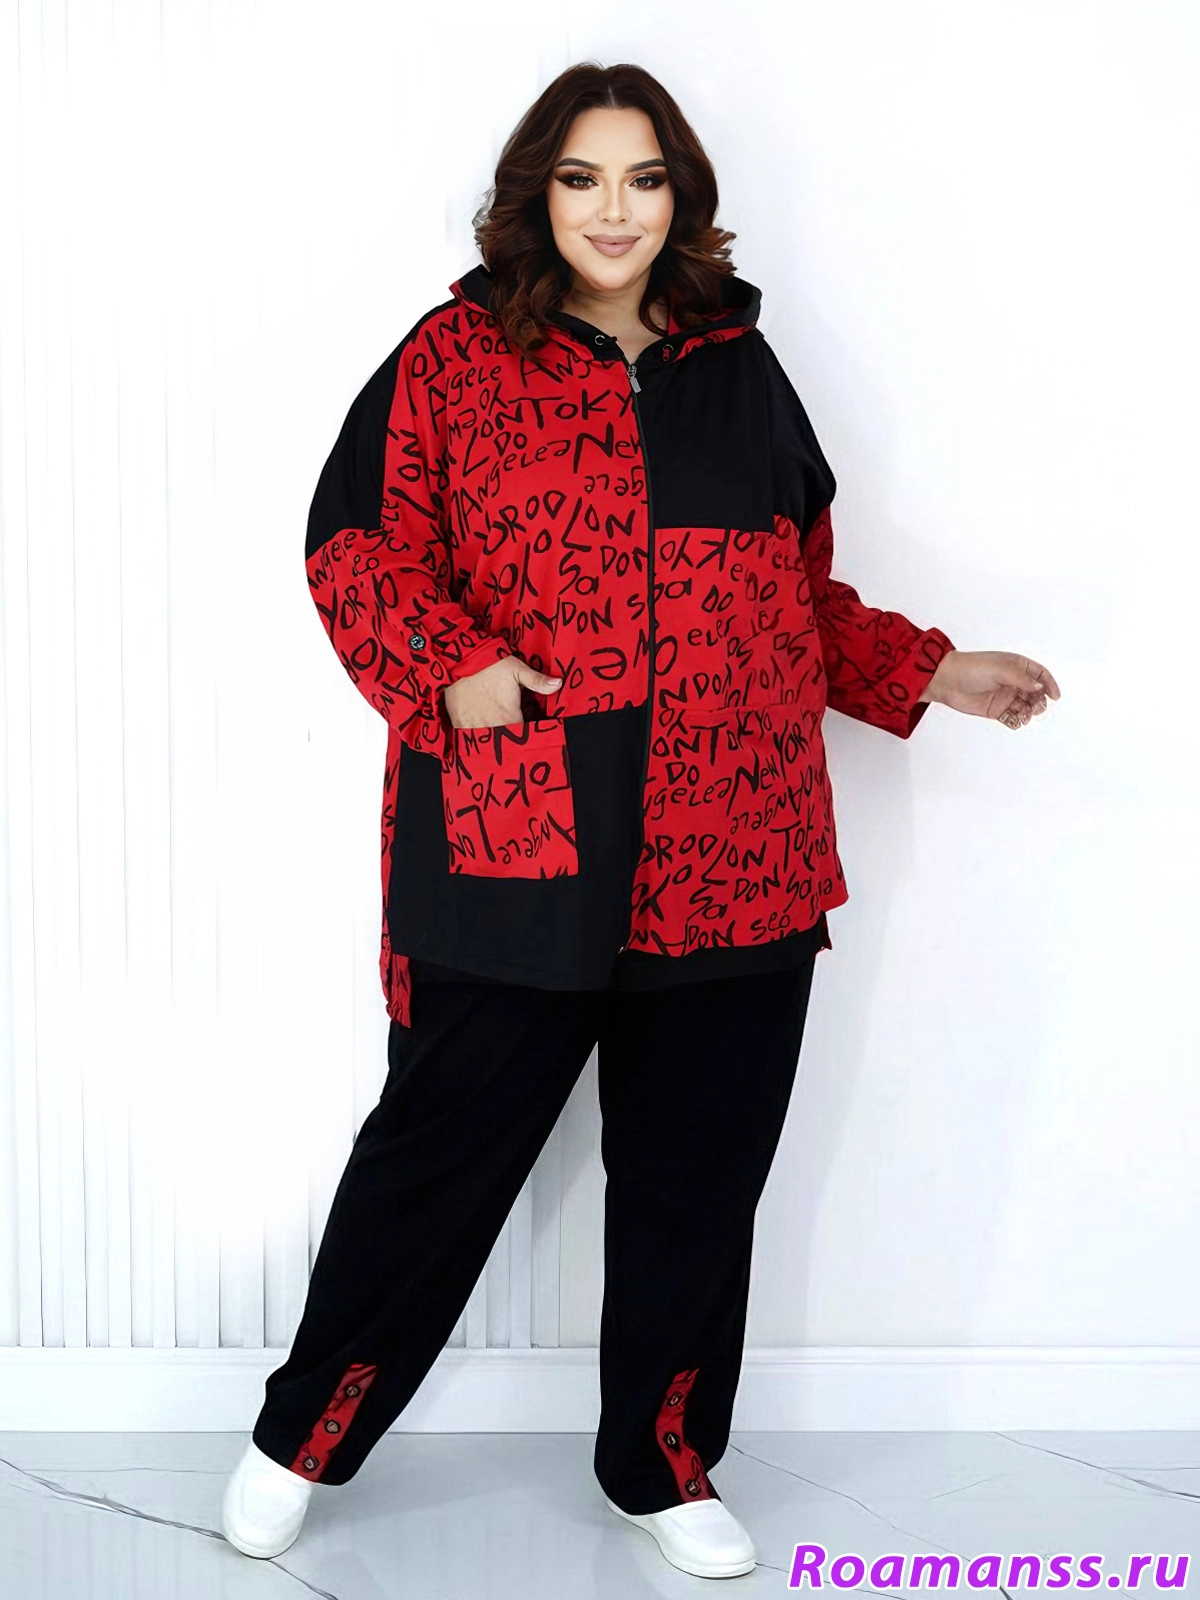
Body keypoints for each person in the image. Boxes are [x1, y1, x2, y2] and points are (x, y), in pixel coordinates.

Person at [220, 60, 1060, 1580]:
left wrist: (934, 671)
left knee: (697, 1180)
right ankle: (303, 1438)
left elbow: (795, 594)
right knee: (435, 1163)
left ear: (683, 197)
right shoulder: (453, 359)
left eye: (645, 178)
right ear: (537, 194)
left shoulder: (742, 364)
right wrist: (449, 664)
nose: (615, 209)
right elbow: (353, 548)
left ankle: (663, 1465)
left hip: (738, 846)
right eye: (583, 178)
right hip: (517, 839)